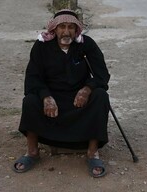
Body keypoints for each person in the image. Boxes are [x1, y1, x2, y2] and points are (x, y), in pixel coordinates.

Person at [14, 10, 111, 178]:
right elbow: (32, 78)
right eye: (62, 27)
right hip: (52, 99)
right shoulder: (41, 46)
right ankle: (32, 152)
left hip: (78, 100)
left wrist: (87, 89)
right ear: (54, 29)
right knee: (30, 100)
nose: (66, 32)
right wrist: (46, 97)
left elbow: (102, 75)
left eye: (71, 27)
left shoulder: (86, 45)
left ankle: (92, 153)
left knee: (101, 96)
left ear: (76, 30)